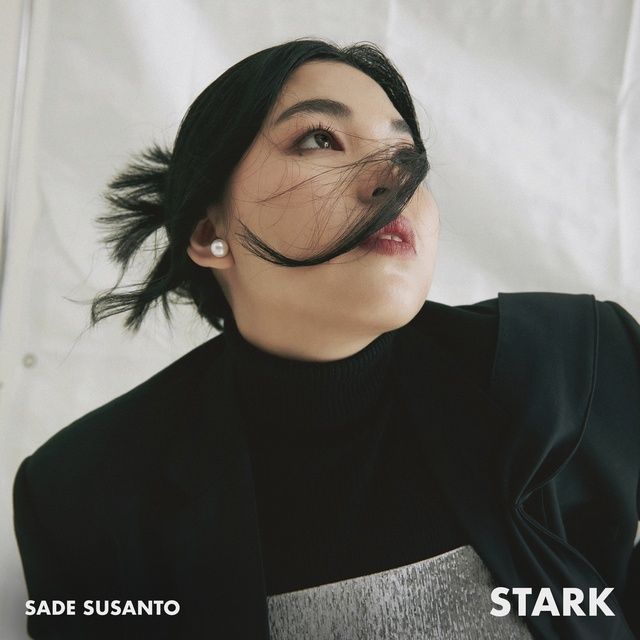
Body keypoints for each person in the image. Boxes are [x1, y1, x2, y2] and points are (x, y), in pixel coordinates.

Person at [12, 38, 640, 640]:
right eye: (319, 138)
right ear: (207, 233)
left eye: (405, 152)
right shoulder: (82, 498)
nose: (393, 179)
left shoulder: (577, 371)